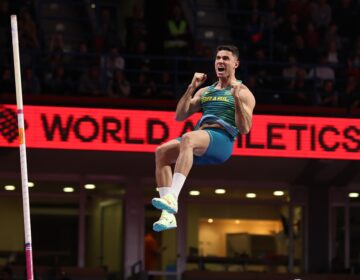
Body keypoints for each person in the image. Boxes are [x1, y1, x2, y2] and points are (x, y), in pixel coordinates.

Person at [151, 45, 256, 232]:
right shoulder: (206, 91)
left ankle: (172, 197)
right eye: (218, 58)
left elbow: (245, 129)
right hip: (201, 139)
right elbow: (179, 116)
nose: (220, 62)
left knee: (188, 139)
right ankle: (168, 216)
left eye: (225, 58)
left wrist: (237, 99)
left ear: (236, 64)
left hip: (222, 141)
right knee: (161, 152)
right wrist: (192, 87)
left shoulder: (244, 92)